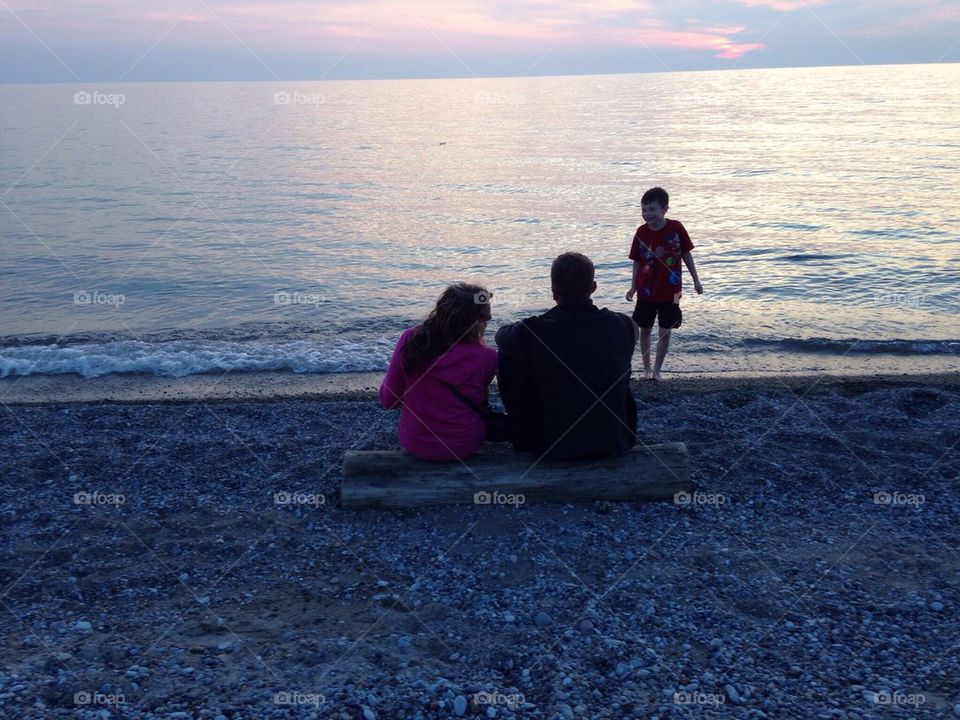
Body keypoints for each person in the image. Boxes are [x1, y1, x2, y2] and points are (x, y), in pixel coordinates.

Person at [496, 252, 637, 461]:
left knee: (506, 356)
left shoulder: (531, 331)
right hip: (616, 440)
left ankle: (524, 429)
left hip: (546, 446)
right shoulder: (624, 325)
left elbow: (500, 336)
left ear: (553, 291)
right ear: (593, 287)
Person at [379, 283, 498, 462]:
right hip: (464, 444)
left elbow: (389, 401)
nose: (487, 323)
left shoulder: (410, 340)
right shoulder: (487, 356)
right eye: (486, 318)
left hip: (415, 442)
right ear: (475, 321)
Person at [625, 187, 703, 381]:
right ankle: (646, 369)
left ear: (664, 209)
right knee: (644, 329)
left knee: (665, 331)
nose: (647, 214)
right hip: (646, 291)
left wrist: (696, 279)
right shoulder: (641, 232)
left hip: (673, 292)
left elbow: (686, 254)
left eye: (651, 209)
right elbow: (636, 261)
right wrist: (633, 286)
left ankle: (658, 371)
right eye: (644, 210)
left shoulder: (676, 228)